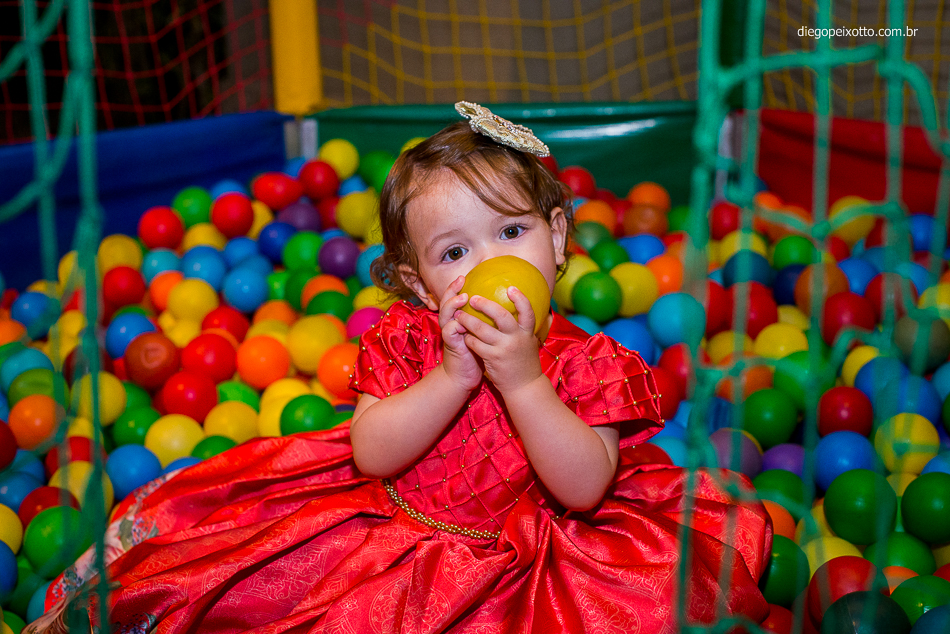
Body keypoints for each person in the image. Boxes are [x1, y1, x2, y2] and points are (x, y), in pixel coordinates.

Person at [29, 103, 771, 634]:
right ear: (419, 283)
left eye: (511, 231)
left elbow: (582, 488)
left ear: (557, 237)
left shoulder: (591, 364)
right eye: (454, 252)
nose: (489, 263)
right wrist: (453, 375)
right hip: (398, 533)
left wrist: (521, 380)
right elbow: (371, 452)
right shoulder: (410, 341)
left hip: (530, 558)